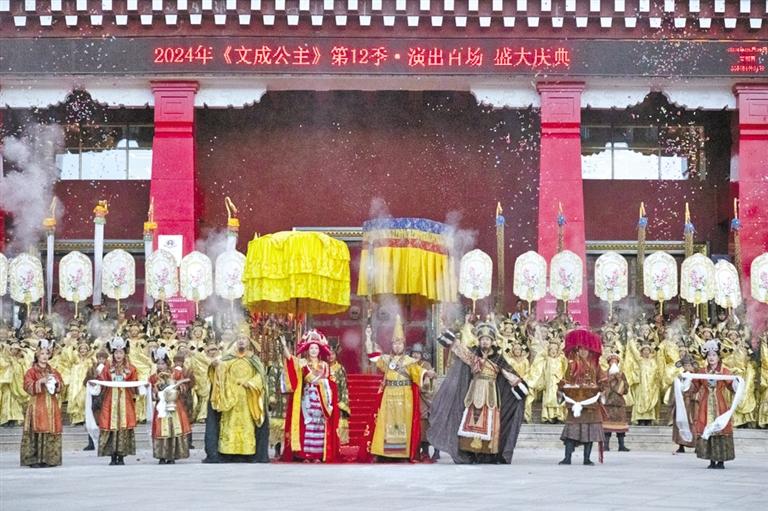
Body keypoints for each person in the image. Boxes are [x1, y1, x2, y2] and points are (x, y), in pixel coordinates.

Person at [429, 322, 526, 464]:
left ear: (492, 341)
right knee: (470, 420)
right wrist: (447, 336)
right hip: (474, 392)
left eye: (487, 339)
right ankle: (470, 453)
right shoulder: (473, 355)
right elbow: (459, 349)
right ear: (479, 341)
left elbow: (508, 374)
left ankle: (488, 454)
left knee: (491, 421)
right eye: (482, 339)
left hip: (491, 394)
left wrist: (521, 387)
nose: (485, 341)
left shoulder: (498, 358)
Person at [363, 316, 434, 462]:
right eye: (395, 344)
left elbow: (418, 373)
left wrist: (427, 374)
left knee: (404, 424)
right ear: (392, 345)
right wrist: (368, 337)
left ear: (403, 345)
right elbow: (372, 356)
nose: (397, 346)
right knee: (385, 422)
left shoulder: (410, 361)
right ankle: (384, 453)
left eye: (400, 344)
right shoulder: (386, 359)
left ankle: (403, 453)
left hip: (405, 396)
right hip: (389, 395)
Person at [208, 326, 269, 463]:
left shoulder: (253, 359)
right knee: (229, 423)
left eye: (244, 339)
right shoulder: (228, 359)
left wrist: (251, 383)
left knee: (247, 424)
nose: (241, 341)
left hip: (248, 397)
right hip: (231, 397)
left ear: (248, 342)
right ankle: (228, 453)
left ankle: (247, 453)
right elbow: (221, 371)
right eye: (239, 339)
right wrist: (216, 365)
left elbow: (261, 376)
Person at [280, 330, 340, 462]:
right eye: (311, 348)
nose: (314, 350)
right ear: (308, 350)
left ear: (319, 351)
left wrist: (325, 385)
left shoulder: (325, 365)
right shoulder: (302, 363)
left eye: (316, 348)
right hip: (307, 398)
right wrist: (284, 347)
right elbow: (290, 361)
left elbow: (331, 382)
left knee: (319, 426)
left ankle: (317, 455)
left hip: (321, 399)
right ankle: (305, 455)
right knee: (307, 426)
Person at [558, 329, 606, 466]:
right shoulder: (571, 365)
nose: (583, 351)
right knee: (571, 432)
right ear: (577, 350)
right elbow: (565, 381)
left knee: (589, 432)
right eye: (580, 349)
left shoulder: (595, 365)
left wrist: (602, 388)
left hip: (591, 404)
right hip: (575, 402)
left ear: (590, 350)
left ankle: (587, 458)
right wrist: (561, 388)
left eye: (586, 349)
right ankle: (567, 458)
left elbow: (602, 380)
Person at [692, 339, 737, 469]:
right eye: (709, 355)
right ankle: (712, 460)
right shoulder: (702, 371)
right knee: (708, 429)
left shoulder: (724, 371)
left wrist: (736, 383)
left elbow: (731, 386)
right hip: (705, 404)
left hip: (720, 403)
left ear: (718, 357)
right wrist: (686, 381)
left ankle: (721, 460)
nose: (711, 358)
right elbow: (695, 386)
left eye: (714, 355)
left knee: (721, 429)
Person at [20, 339, 63, 468]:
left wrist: (56, 384)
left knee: (50, 428)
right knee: (36, 428)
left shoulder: (53, 371)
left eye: (47, 354)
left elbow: (61, 386)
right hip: (37, 404)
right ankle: (34, 459)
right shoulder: (31, 371)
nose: (44, 356)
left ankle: (49, 459)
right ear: (37, 355)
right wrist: (40, 382)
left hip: (51, 404)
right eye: (42, 353)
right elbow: (27, 386)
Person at [97, 336, 139, 465]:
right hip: (110, 401)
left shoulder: (131, 368)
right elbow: (102, 381)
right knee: (111, 425)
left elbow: (135, 384)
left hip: (125, 401)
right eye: (116, 353)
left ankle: (121, 456)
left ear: (125, 353)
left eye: (121, 352)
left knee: (123, 426)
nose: (118, 355)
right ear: (112, 353)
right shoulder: (107, 367)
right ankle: (112, 456)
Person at [149, 347, 192, 464]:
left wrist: (176, 388)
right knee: (160, 429)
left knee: (173, 428)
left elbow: (184, 387)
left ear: (167, 363)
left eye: (162, 363)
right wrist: (156, 393)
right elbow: (152, 393)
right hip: (161, 407)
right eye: (158, 364)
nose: (160, 366)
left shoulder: (176, 374)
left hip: (174, 406)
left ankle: (172, 455)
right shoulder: (153, 377)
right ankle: (161, 455)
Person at [602, 353, 630, 452]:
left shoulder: (621, 375)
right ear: (608, 363)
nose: (613, 363)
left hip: (619, 403)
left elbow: (626, 389)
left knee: (620, 425)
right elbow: (602, 387)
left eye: (615, 362)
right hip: (608, 403)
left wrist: (619, 380)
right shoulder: (604, 374)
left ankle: (621, 445)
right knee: (607, 425)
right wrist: (609, 380)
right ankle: (606, 445)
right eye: (611, 361)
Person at [671, 354, 698, 453]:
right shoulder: (680, 376)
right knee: (681, 421)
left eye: (689, 365)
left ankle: (696, 444)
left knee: (693, 422)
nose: (687, 367)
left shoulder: (696, 377)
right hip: (681, 402)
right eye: (685, 365)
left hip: (691, 403)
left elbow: (698, 389)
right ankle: (681, 444)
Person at [329, 339, 351, 448]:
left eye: (332, 354)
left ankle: (338, 444)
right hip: (326, 399)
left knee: (338, 422)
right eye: (328, 354)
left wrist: (343, 402)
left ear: (336, 355)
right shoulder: (323, 367)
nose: (330, 356)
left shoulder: (340, 369)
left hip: (337, 400)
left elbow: (344, 386)